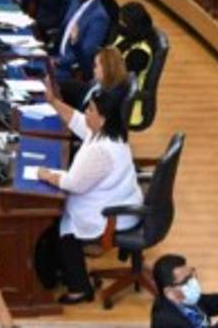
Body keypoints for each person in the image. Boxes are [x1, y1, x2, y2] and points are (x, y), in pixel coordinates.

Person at [36, 85, 142, 304]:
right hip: (118, 201)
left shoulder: (102, 150)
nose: (86, 112)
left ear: (102, 119)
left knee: (64, 228)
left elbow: (74, 184)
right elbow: (76, 120)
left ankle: (80, 288)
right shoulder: (107, 133)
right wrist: (53, 101)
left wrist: (46, 175)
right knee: (59, 220)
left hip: (113, 214)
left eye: (91, 109)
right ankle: (64, 272)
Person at [151, 254, 218, 327]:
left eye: (191, 274)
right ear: (169, 292)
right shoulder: (165, 321)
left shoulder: (184, 298)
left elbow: (215, 302)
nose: (192, 281)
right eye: (186, 280)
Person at [51, 0, 111, 82]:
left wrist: (58, 61)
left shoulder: (100, 16)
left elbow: (86, 52)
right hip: (55, 57)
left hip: (69, 70)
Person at [112, 2, 157, 127]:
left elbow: (123, 82)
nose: (120, 25)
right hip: (112, 92)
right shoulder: (125, 38)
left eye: (123, 22)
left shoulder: (140, 53)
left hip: (126, 106)